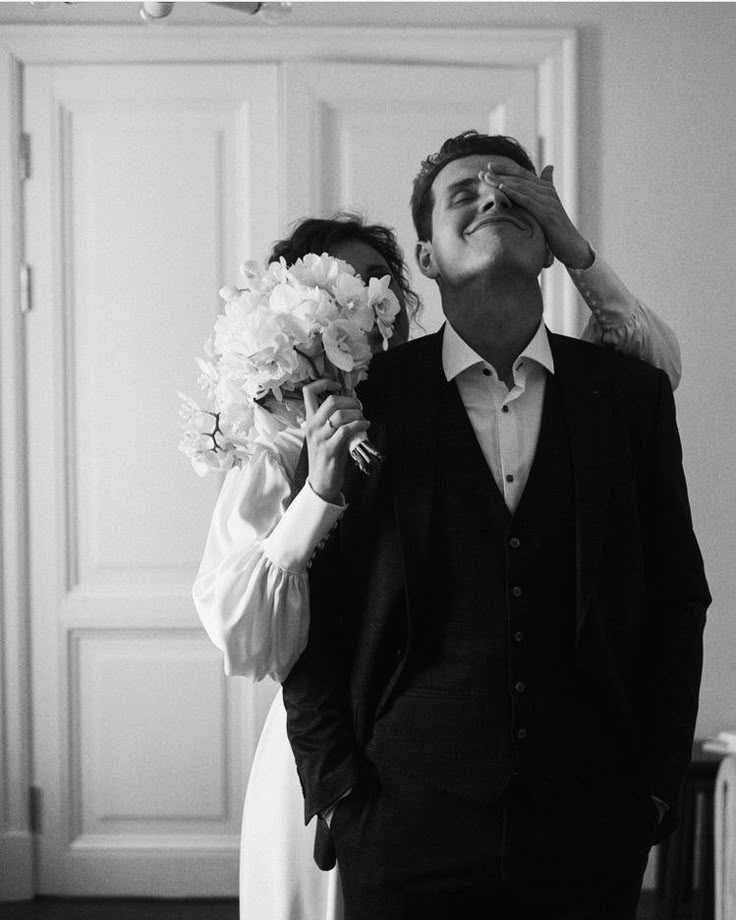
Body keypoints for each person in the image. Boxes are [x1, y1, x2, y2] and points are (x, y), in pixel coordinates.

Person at [195, 202, 683, 919]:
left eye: (379, 282)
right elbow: (253, 634)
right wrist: (339, 793)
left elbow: (654, 371)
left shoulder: (423, 400)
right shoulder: (279, 440)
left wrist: (576, 251)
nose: (368, 300)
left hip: (518, 794)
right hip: (340, 755)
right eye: (346, 284)